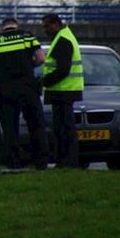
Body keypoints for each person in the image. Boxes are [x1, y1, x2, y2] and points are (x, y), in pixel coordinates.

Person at [0, 18, 48, 171]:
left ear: (3, 27)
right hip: (27, 87)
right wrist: (28, 65)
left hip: (5, 89)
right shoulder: (27, 37)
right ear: (16, 25)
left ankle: (13, 161)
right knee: (36, 124)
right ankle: (41, 161)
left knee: (10, 127)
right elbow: (41, 58)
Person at [40, 13, 83, 168]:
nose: (45, 30)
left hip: (63, 91)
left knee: (64, 129)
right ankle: (65, 161)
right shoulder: (63, 37)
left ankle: (67, 162)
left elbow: (62, 70)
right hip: (64, 91)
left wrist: (43, 82)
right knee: (62, 128)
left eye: (47, 26)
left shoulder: (62, 41)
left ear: (56, 24)